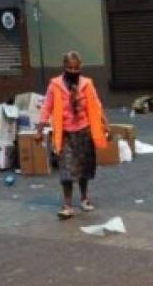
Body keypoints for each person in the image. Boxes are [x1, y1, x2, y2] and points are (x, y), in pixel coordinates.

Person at [37, 50, 110, 219]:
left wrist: (105, 124)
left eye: (76, 68)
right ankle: (67, 205)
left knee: (84, 168)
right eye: (70, 67)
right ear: (64, 67)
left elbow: (96, 105)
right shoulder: (55, 85)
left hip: (84, 131)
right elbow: (46, 107)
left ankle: (84, 198)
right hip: (65, 134)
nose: (73, 71)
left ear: (80, 67)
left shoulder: (87, 84)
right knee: (66, 170)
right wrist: (40, 129)